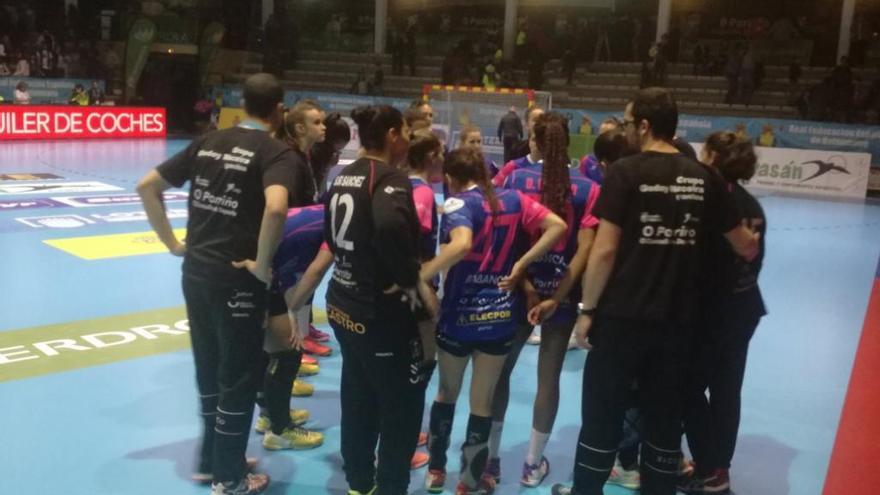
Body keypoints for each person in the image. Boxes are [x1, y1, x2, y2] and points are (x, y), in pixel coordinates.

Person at [551, 87, 760, 495]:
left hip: (622, 322)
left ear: (644, 125)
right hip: (679, 327)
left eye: (629, 122)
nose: (627, 130)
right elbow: (743, 245)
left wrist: (588, 310)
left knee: (601, 418)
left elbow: (606, 250)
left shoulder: (624, 173)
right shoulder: (704, 178)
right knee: (664, 427)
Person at [136, 73, 313, 495]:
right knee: (238, 376)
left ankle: (212, 459)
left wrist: (173, 243)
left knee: (209, 367)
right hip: (236, 278)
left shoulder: (208, 141)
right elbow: (275, 209)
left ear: (243, 103)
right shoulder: (277, 153)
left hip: (195, 272)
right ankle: (230, 478)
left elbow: (147, 186)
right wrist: (261, 266)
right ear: (279, 110)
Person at [422, 147, 566, 495]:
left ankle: (436, 469)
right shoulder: (515, 200)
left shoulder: (459, 203)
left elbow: (461, 245)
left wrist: (422, 274)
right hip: (500, 315)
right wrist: (521, 265)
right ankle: (469, 481)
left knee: (445, 393)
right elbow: (557, 226)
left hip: (459, 314)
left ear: (453, 178)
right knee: (482, 402)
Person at [485, 112, 601, 487]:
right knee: (548, 378)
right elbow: (584, 253)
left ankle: (490, 460)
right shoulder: (588, 187)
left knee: (500, 373)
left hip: (517, 290)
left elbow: (509, 242)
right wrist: (557, 297)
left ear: (533, 141)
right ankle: (533, 464)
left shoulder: (516, 179)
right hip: (562, 298)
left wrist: (528, 286)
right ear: (567, 143)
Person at [324, 105, 435, 495]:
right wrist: (407, 280)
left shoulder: (342, 175)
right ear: (391, 134)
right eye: (405, 130)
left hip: (342, 301)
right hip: (378, 314)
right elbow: (389, 225)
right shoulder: (390, 179)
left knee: (357, 394)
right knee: (401, 408)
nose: (409, 138)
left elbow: (331, 235)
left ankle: (358, 482)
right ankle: (390, 486)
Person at [679, 132, 767, 495]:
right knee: (727, 390)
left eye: (705, 151)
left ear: (713, 156)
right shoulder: (752, 205)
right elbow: (755, 261)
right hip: (744, 308)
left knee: (685, 387)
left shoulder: (714, 204)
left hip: (715, 313)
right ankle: (717, 470)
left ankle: (709, 465)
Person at [253, 204, 327, 452]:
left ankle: (269, 415)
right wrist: (292, 311)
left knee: (269, 347)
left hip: (258, 269)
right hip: (255, 274)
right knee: (288, 351)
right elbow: (315, 272)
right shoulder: (336, 226)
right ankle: (280, 430)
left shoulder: (322, 211)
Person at [495, 106, 545, 184]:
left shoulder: (556, 151)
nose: (540, 123)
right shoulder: (516, 150)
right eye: (535, 120)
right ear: (527, 125)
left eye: (543, 120)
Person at [310, 112, 352, 196]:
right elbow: (319, 192)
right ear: (333, 140)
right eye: (339, 149)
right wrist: (328, 166)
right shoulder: (317, 155)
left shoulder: (323, 152)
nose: (339, 151)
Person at [579, 117, 622, 183]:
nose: (604, 138)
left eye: (608, 134)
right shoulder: (587, 161)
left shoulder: (624, 162)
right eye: (601, 134)